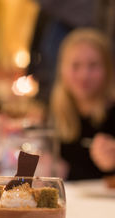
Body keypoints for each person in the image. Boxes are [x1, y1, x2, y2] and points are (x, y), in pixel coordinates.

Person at [49, 28, 115, 180]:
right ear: (62, 70)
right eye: (75, 66)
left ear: (108, 70)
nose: (84, 75)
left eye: (93, 65)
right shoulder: (55, 114)